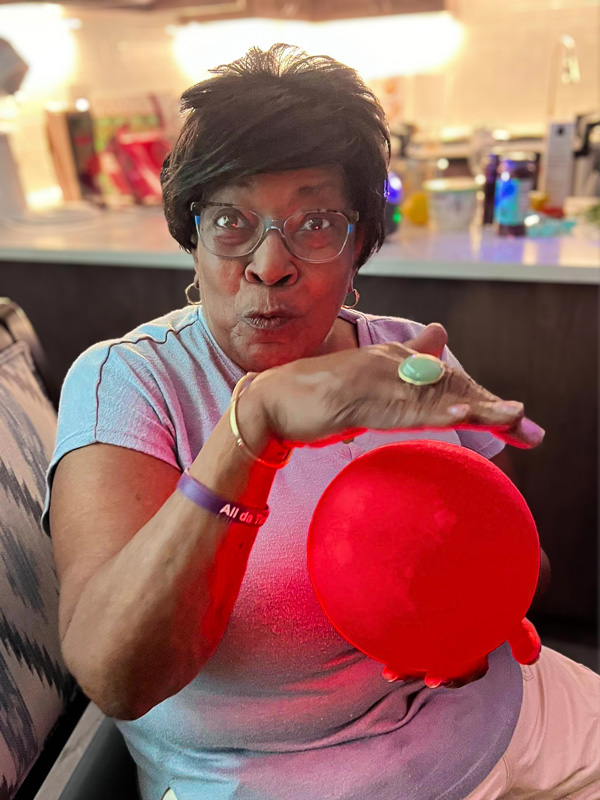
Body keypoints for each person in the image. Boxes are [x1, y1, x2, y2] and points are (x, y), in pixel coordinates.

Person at [42, 45, 599, 800]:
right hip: (283, 780)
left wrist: (480, 615)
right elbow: (118, 677)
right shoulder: (128, 381)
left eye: (317, 223)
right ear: (193, 234)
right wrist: (254, 426)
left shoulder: (406, 363)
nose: (269, 264)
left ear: (360, 245)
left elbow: (519, 570)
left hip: (498, 712)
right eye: (232, 220)